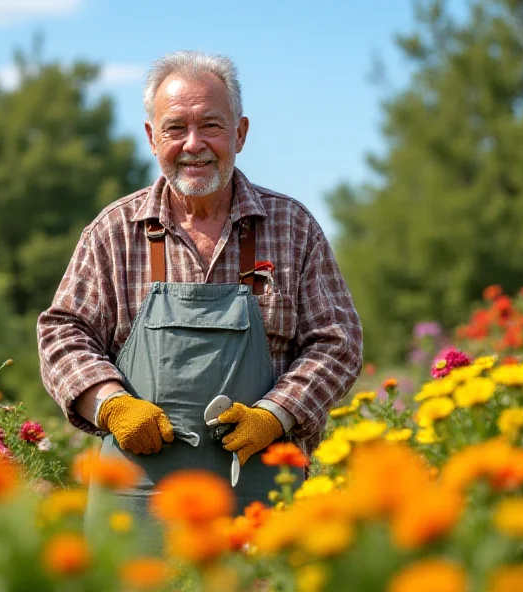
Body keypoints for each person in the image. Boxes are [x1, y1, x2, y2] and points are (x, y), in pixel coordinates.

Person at [37, 50, 363, 523]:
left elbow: (338, 342)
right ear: (152, 138)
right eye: (175, 129)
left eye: (211, 125)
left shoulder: (292, 227)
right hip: (135, 504)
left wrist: (275, 414)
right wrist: (112, 405)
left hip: (263, 496)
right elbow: (62, 334)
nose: (193, 144)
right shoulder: (114, 230)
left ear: (240, 133)